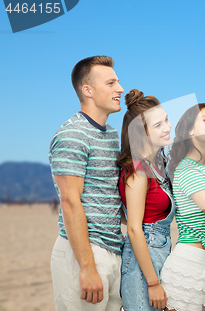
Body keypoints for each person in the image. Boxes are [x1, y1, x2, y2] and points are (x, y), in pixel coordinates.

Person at [48, 56, 124, 310]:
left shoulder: (112, 135)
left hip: (114, 250)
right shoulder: (72, 134)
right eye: (111, 83)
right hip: (83, 252)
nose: (120, 89)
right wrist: (87, 267)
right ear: (88, 90)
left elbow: (112, 196)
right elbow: (70, 202)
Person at [160, 103, 205, 311]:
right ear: (190, 131)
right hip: (187, 267)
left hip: (203, 264)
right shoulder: (189, 169)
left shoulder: (200, 169)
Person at [117, 89, 176, 310]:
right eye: (158, 124)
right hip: (143, 261)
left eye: (166, 120)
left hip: (157, 253)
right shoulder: (138, 169)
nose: (168, 127)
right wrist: (152, 283)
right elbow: (133, 228)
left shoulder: (155, 166)